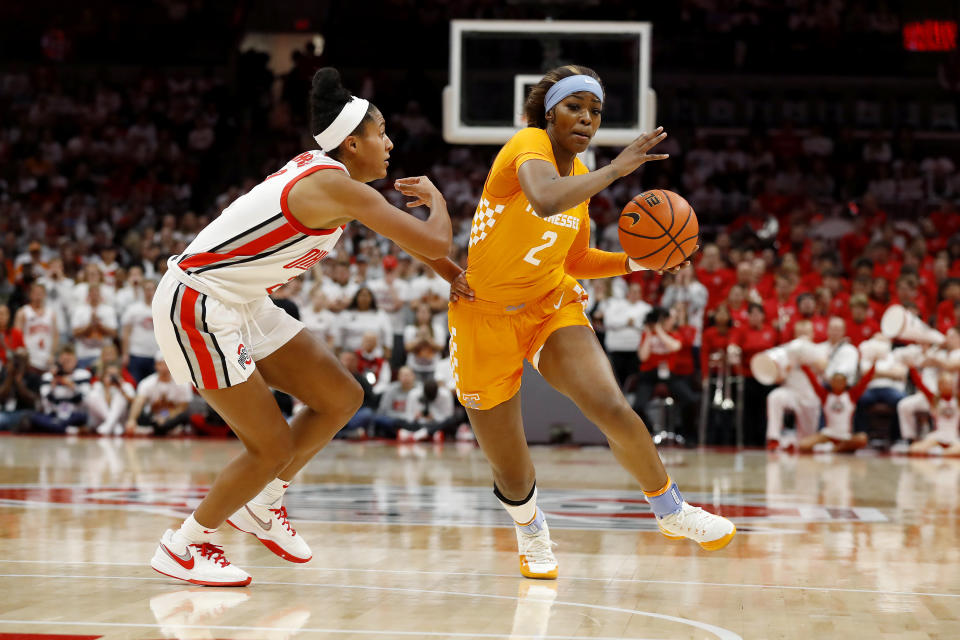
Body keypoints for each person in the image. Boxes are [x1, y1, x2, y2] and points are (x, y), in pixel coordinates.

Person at [147, 67, 457, 586]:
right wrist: (439, 203)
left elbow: (424, 252)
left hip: (240, 300)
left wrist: (454, 277)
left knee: (340, 396)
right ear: (353, 143)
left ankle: (263, 505)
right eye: (381, 133)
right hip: (197, 303)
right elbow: (434, 241)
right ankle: (184, 545)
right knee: (270, 446)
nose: (390, 142)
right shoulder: (342, 189)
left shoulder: (331, 175)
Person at [446, 65, 734, 581]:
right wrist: (619, 170)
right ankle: (530, 528)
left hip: (550, 304)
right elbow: (544, 198)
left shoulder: (579, 170)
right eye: (574, 106)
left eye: (595, 111)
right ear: (549, 111)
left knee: (609, 405)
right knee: (510, 466)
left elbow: (574, 259)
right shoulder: (527, 145)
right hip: (483, 318)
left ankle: (672, 512)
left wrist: (637, 262)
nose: (586, 118)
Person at [797, 362, 874, 453]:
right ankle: (838, 448)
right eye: (835, 381)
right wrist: (804, 366)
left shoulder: (851, 395)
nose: (838, 383)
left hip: (845, 436)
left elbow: (864, 382)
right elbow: (814, 382)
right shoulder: (825, 396)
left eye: (840, 381)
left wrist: (874, 365)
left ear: (845, 383)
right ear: (831, 382)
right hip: (828, 434)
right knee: (802, 445)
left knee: (862, 438)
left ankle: (834, 448)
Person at [125, 355, 193, 436]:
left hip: (173, 416)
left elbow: (183, 407)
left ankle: (156, 429)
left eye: (167, 364)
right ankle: (157, 428)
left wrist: (166, 416)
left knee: (185, 415)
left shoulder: (183, 383)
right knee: (140, 413)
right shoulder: (147, 383)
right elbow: (139, 401)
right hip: (152, 416)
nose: (164, 368)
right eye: (161, 364)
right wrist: (132, 419)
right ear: (156, 366)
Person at [13, 283, 56, 374]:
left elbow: (56, 335)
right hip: (29, 357)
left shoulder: (51, 313)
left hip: (46, 357)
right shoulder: (23, 312)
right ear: (30, 295)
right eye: (35, 293)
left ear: (45, 295)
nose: (38, 296)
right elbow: (16, 335)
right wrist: (23, 355)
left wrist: (52, 354)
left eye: (40, 293)